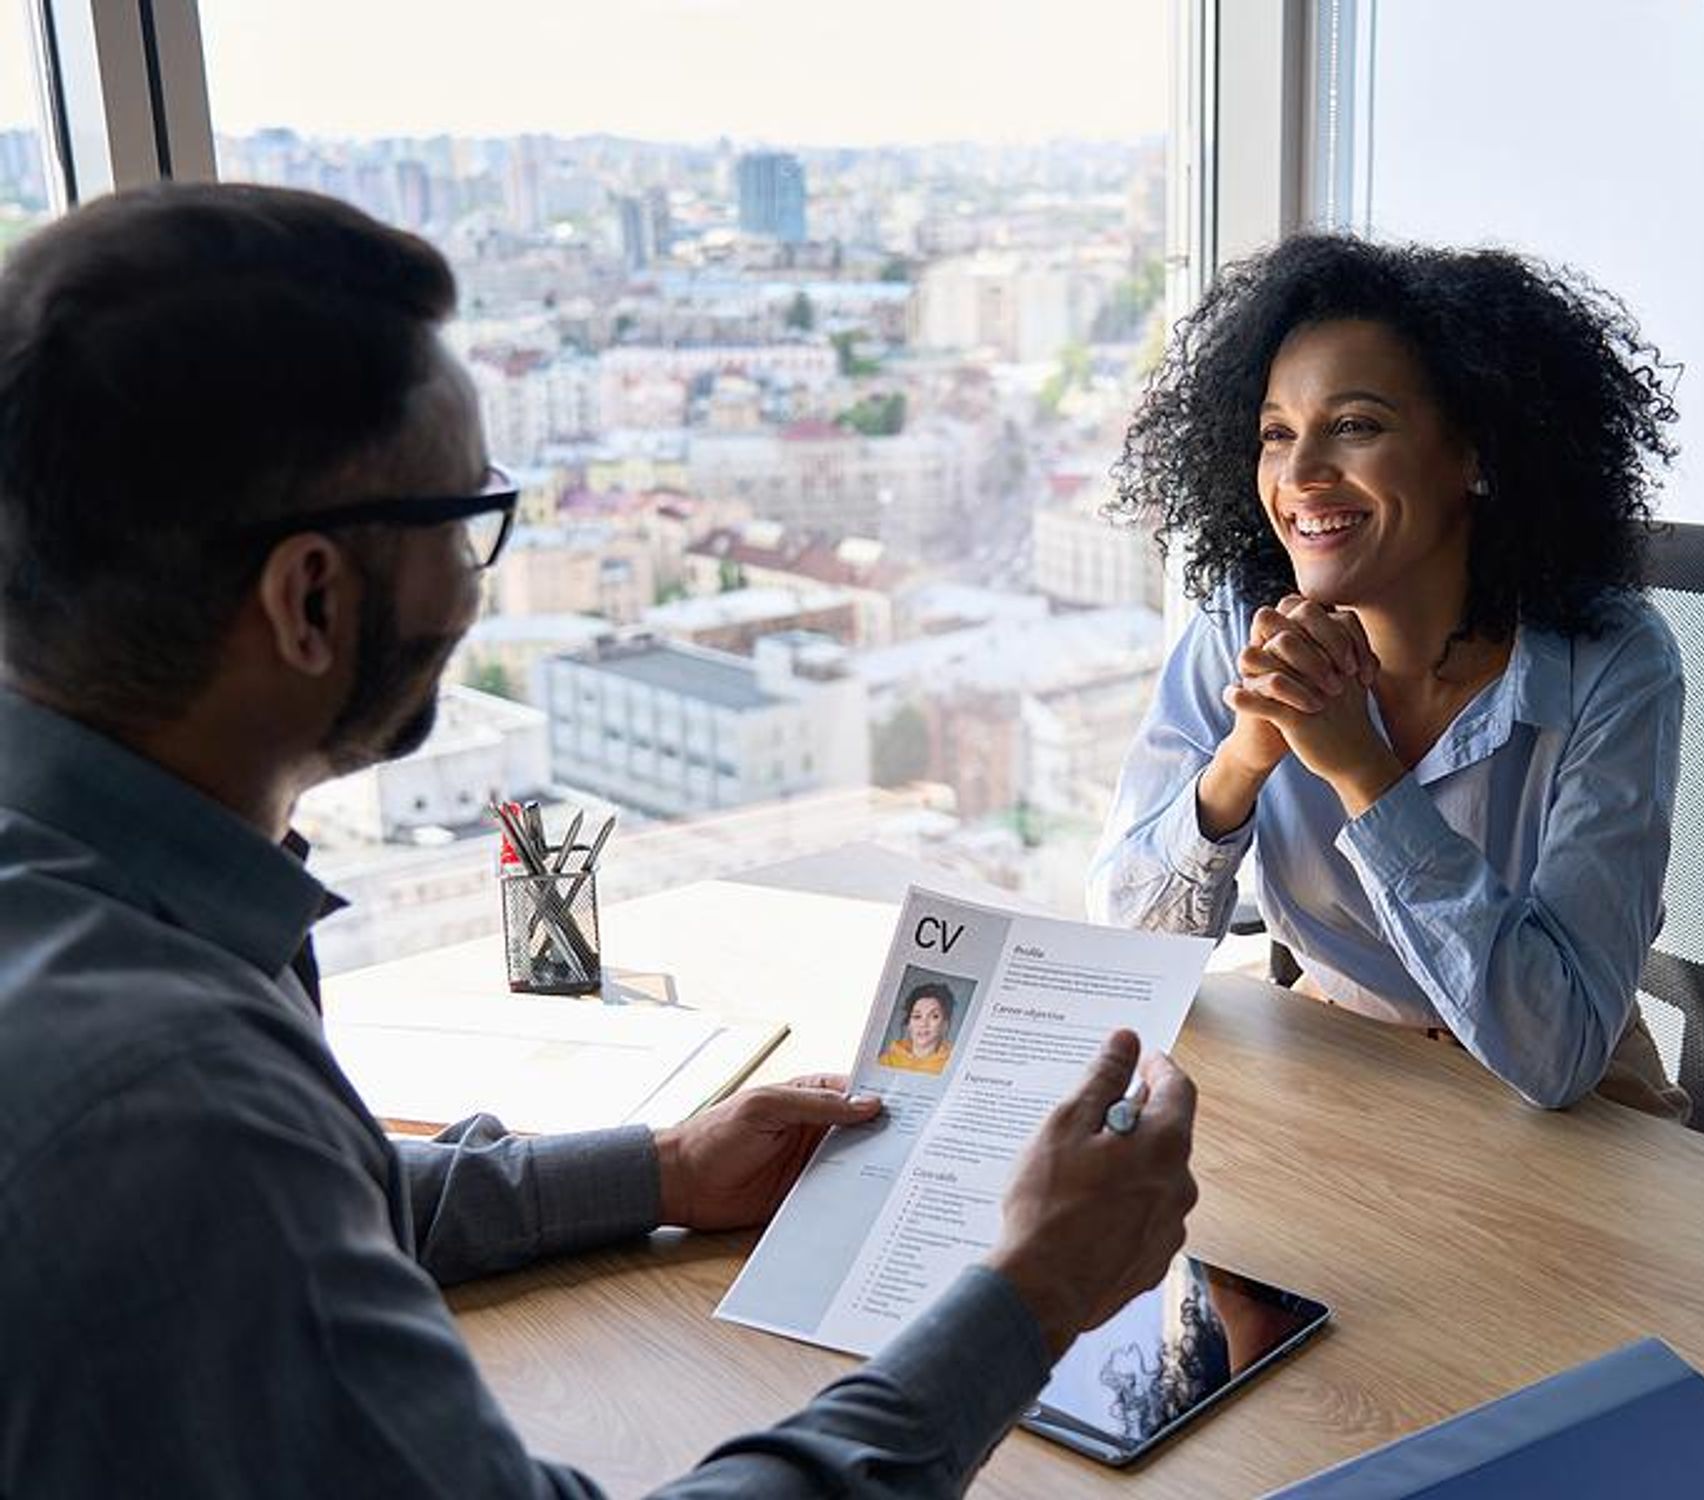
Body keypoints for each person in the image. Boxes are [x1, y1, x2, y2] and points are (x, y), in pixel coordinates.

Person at [0, 183, 1200, 1498]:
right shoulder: (166, 1104)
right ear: (310, 600)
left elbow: (304, 1210)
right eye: (466, 525)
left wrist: (661, 1168)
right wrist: (1033, 1294)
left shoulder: (85, 901)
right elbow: (230, 1188)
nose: (477, 585)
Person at [1088, 231, 1688, 1117]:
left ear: (1475, 454)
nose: (1299, 475)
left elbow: (1557, 1049)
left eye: (1355, 427)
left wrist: (1362, 770)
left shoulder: (1611, 663)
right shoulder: (1241, 619)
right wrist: (1244, 759)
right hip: (1337, 1059)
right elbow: (1126, 946)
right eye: (1276, 434)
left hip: (1568, 1107)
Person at [879, 981, 956, 1073]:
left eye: (934, 1016)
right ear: (909, 1024)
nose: (923, 1024)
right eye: (917, 1016)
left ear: (945, 1024)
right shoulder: (886, 1061)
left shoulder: (953, 1065)